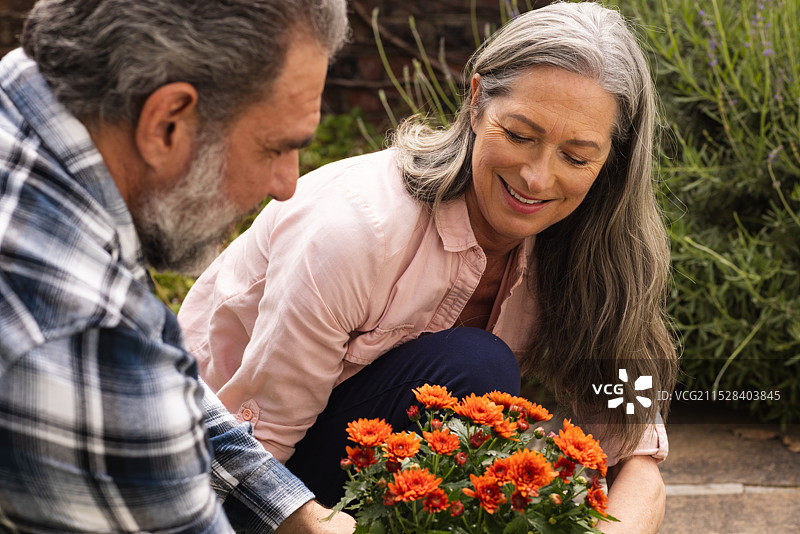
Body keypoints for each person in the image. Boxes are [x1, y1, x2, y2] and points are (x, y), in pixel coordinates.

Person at [178, 1, 679, 531]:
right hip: (224, 475)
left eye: (576, 157)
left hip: (361, 482)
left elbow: (636, 453)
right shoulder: (355, 231)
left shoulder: (598, 253)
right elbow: (252, 454)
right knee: (477, 366)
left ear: (611, 160)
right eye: (519, 135)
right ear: (477, 100)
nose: (536, 178)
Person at [0, 0, 357, 532]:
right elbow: (120, 377)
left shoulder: (27, 92)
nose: (286, 184)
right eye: (276, 147)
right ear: (167, 123)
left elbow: (158, 381)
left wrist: (289, 508)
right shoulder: (82, 337)